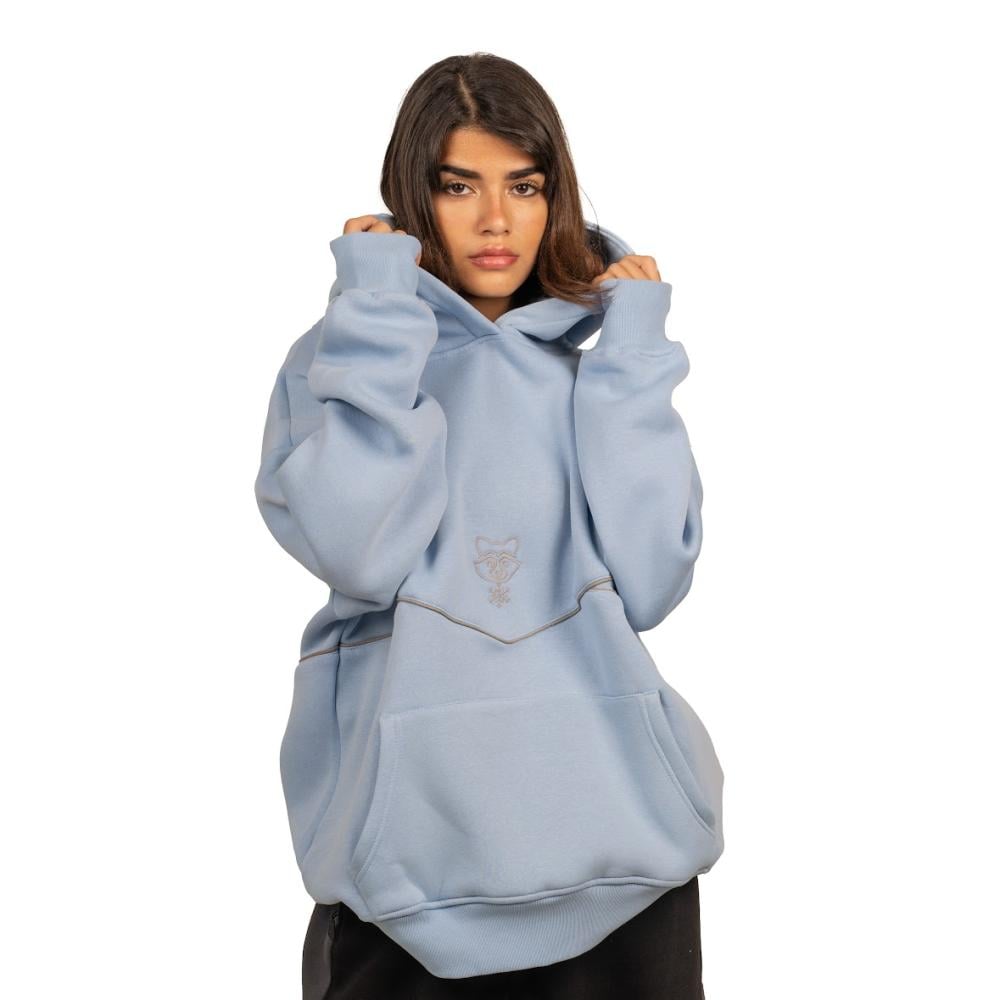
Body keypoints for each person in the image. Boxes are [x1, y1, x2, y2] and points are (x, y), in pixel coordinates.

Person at [254, 52, 724, 998]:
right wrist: (377, 313)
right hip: (405, 887)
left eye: (526, 185)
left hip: (624, 870)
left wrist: (634, 357)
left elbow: (653, 581)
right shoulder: (344, 360)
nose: (497, 219)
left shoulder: (597, 372)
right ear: (413, 197)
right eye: (459, 186)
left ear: (557, 197)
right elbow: (360, 552)